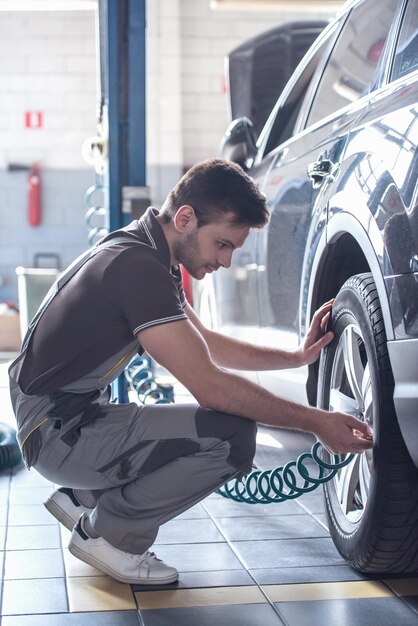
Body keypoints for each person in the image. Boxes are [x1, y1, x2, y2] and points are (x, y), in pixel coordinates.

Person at [9, 158, 373, 586]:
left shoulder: (147, 253)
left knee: (218, 425)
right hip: (56, 431)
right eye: (222, 244)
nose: (226, 261)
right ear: (185, 218)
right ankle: (109, 534)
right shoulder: (137, 268)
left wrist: (295, 357)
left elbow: (205, 347)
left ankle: (81, 497)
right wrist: (317, 422)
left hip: (63, 419)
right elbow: (211, 387)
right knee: (232, 437)